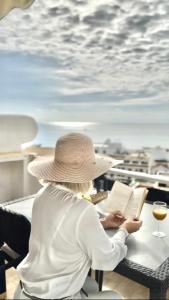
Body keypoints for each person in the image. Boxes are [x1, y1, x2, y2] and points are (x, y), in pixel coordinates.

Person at [14, 132, 142, 299]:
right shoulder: (82, 208)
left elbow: (62, 230)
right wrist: (125, 230)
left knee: (92, 284)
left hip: (27, 290)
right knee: (115, 296)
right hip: (55, 296)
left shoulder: (42, 194)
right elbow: (107, 260)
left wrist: (103, 222)